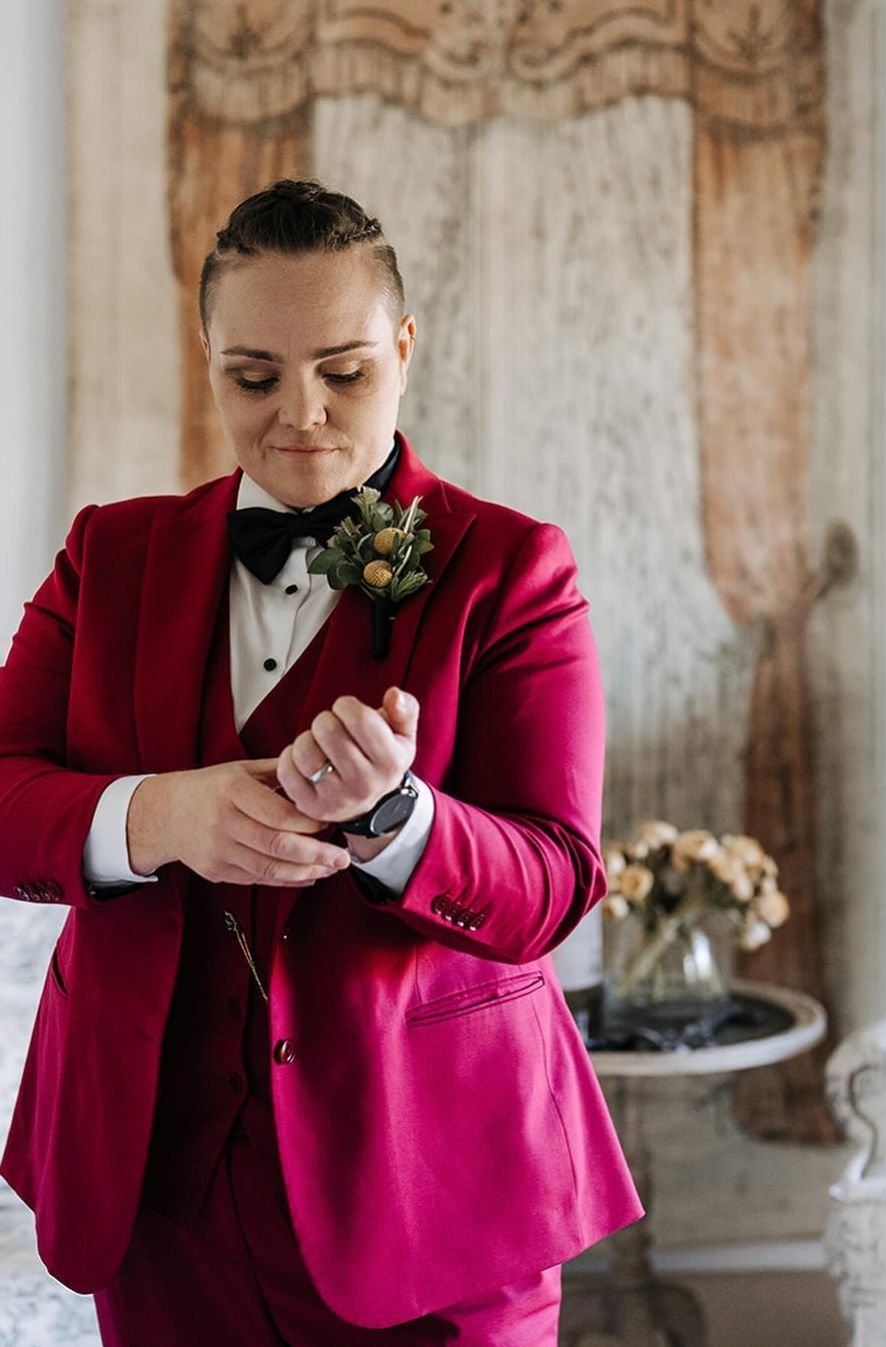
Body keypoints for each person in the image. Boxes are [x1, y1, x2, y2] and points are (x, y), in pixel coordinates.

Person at [0, 179, 642, 1346]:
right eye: (255, 376)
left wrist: (398, 818)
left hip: (436, 1191)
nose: (301, 415)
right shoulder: (111, 553)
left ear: (403, 348)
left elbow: (554, 879)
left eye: (343, 371)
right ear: (208, 359)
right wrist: (156, 817)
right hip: (156, 1195)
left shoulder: (514, 569)